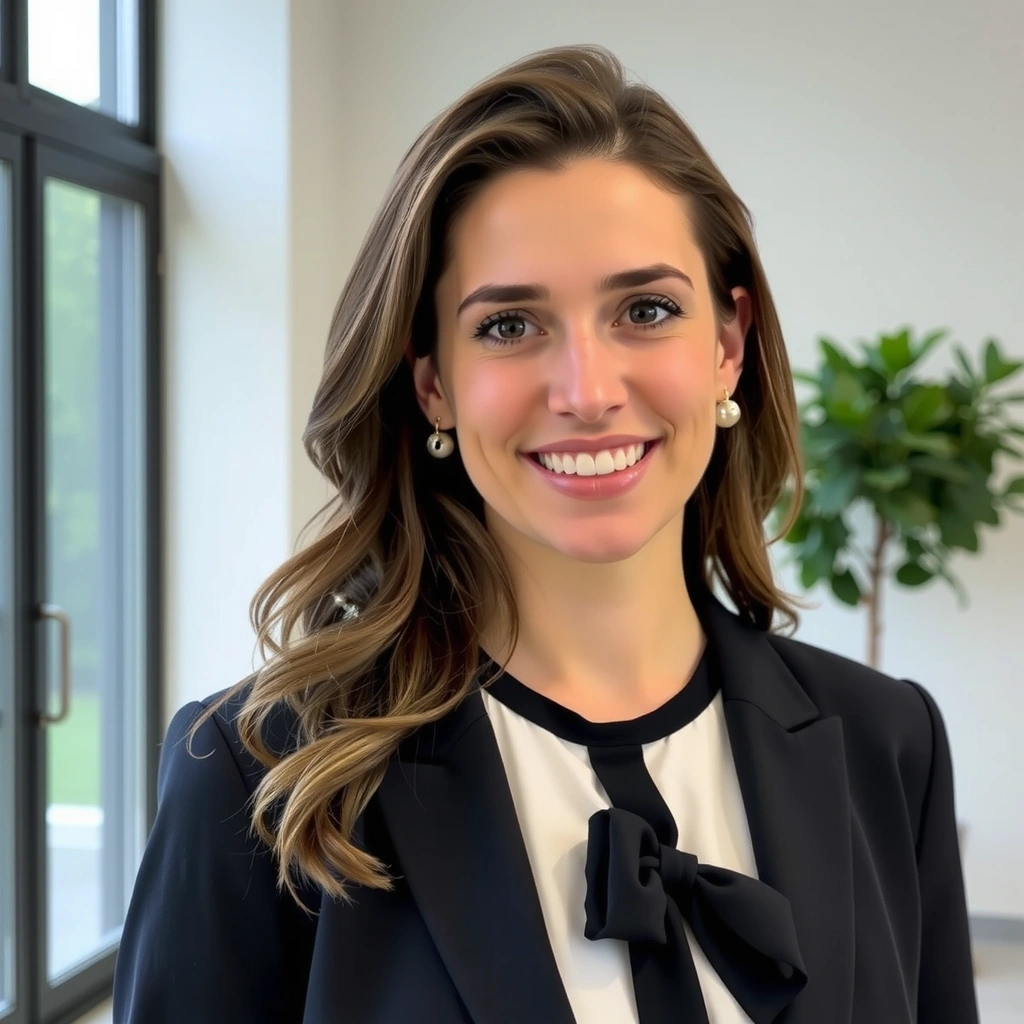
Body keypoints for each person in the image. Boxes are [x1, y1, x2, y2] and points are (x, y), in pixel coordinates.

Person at [112, 44, 979, 1024]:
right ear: (431, 379)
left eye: (644, 310)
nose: (588, 391)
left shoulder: (887, 742)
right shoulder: (258, 774)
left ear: (727, 345)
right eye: (509, 325)